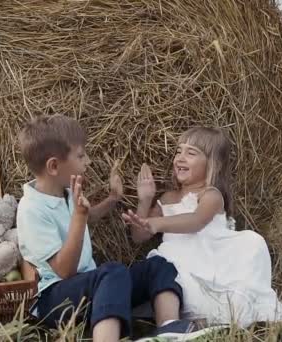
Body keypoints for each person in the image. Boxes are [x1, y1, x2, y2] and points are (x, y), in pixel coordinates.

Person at [16, 115, 204, 341]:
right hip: (56, 301)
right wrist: (79, 216)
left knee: (157, 265)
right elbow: (64, 271)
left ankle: (169, 329)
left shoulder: (63, 192)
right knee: (113, 272)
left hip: (92, 289)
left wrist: (113, 199)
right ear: (54, 166)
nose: (88, 161)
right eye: (80, 155)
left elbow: (87, 216)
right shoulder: (31, 209)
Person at [123, 127, 282, 328]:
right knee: (165, 269)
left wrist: (156, 223)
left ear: (212, 164)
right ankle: (173, 327)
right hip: (177, 260)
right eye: (178, 151)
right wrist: (145, 200)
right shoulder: (166, 198)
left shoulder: (211, 195)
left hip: (211, 261)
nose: (180, 157)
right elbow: (139, 236)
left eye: (191, 153)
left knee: (253, 242)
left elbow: (196, 221)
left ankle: (205, 321)